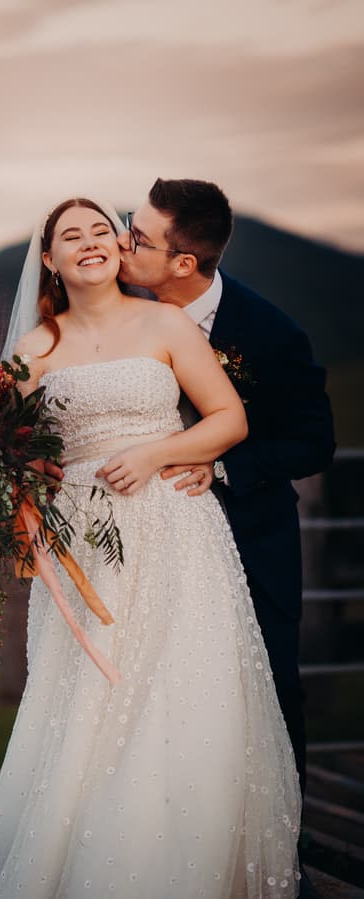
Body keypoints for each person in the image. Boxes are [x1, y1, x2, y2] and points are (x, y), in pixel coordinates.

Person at [0, 197, 302, 899]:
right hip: (83, 548)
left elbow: (229, 419)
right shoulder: (34, 349)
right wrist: (22, 497)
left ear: (119, 251)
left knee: (178, 694)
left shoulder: (165, 322)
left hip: (176, 534)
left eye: (102, 230)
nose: (92, 241)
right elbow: (15, 456)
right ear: (50, 259)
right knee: (90, 701)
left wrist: (158, 451)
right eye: (73, 235)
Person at [114, 179, 335, 899]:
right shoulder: (119, 317)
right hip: (148, 543)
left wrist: (222, 462)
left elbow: (315, 440)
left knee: (268, 688)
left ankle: (278, 848)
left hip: (250, 538)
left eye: (139, 237)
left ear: (184, 263)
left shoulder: (268, 331)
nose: (123, 242)